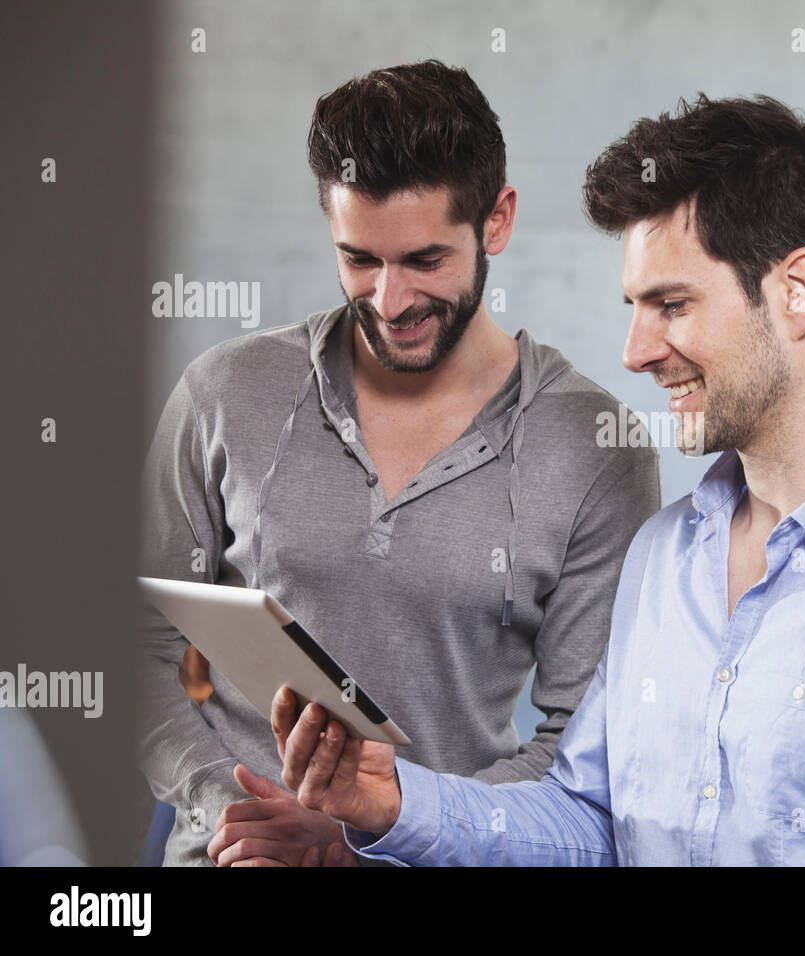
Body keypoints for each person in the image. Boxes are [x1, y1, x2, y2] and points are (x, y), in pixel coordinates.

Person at [271, 93, 805, 866]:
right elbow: (591, 822)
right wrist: (396, 803)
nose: (636, 350)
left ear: (797, 292)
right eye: (634, 305)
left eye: (672, 305)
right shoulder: (664, 556)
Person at [136, 60, 660, 867]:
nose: (390, 302)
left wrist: (385, 827)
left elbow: (579, 751)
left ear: (498, 220)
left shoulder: (594, 446)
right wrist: (240, 805)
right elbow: (141, 648)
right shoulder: (224, 393)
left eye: (424, 260)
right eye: (359, 260)